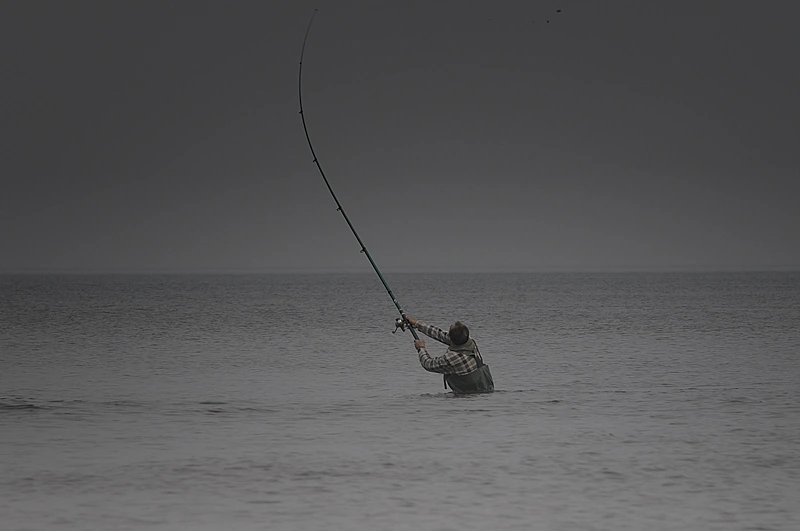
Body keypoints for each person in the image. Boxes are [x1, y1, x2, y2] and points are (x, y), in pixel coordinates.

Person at [404, 316, 494, 394]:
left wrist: (421, 348)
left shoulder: (453, 358)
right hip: (486, 389)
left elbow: (428, 364)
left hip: (466, 394)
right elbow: (440, 334)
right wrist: (417, 324)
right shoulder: (470, 342)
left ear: (451, 339)